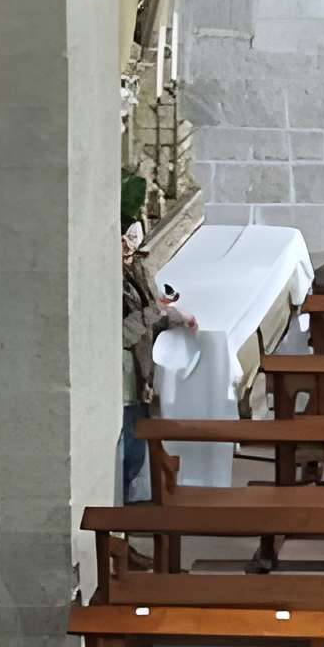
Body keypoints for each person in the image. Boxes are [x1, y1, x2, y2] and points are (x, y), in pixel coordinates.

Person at [120, 194, 195, 500]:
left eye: (132, 239)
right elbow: (122, 333)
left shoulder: (137, 271)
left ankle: (131, 501)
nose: (128, 246)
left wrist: (178, 317)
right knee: (129, 447)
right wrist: (157, 310)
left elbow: (152, 313)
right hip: (124, 374)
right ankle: (123, 507)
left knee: (138, 445)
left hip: (142, 373)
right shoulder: (107, 279)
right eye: (123, 239)